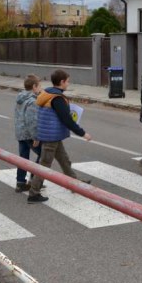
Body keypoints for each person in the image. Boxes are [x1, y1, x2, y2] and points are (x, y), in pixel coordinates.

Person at [28, 69, 92, 204]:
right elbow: (67, 119)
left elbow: (42, 117)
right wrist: (82, 133)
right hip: (51, 137)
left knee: (64, 160)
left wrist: (38, 135)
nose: (68, 84)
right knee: (44, 165)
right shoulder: (57, 99)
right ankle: (33, 193)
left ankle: (74, 184)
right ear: (62, 82)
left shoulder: (47, 93)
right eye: (67, 81)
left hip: (52, 135)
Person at [13, 74, 42, 193]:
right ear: (34, 86)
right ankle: (34, 181)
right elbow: (31, 121)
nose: (40, 88)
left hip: (20, 132)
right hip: (29, 134)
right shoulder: (32, 101)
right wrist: (36, 136)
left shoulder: (20, 98)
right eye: (39, 86)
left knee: (23, 158)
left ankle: (20, 183)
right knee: (43, 154)